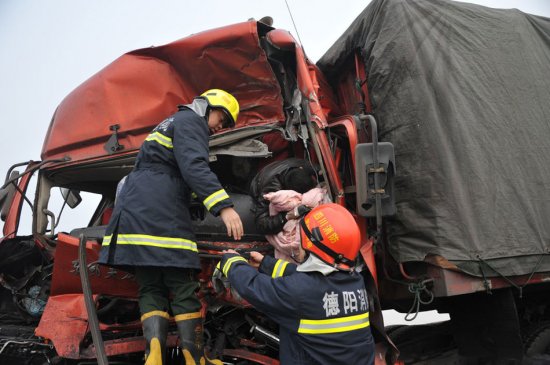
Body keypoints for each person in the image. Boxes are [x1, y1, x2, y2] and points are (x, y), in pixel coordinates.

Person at [99, 89, 243, 365]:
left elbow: (166, 171)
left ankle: (153, 357)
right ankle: (195, 358)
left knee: (151, 285)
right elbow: (194, 166)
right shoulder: (191, 122)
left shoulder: (170, 122)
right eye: (222, 119)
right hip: (159, 212)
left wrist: (193, 200)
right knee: (183, 284)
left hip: (135, 210)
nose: (220, 128)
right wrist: (224, 207)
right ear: (207, 107)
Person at [219, 203, 375, 365]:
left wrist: (232, 263)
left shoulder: (300, 292)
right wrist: (266, 264)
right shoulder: (355, 281)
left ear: (312, 245)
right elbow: (309, 282)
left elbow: (254, 286)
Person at [249, 158, 317, 235]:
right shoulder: (269, 191)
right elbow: (261, 224)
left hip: (277, 168)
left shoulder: (302, 165)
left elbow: (320, 169)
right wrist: (287, 216)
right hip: (258, 184)